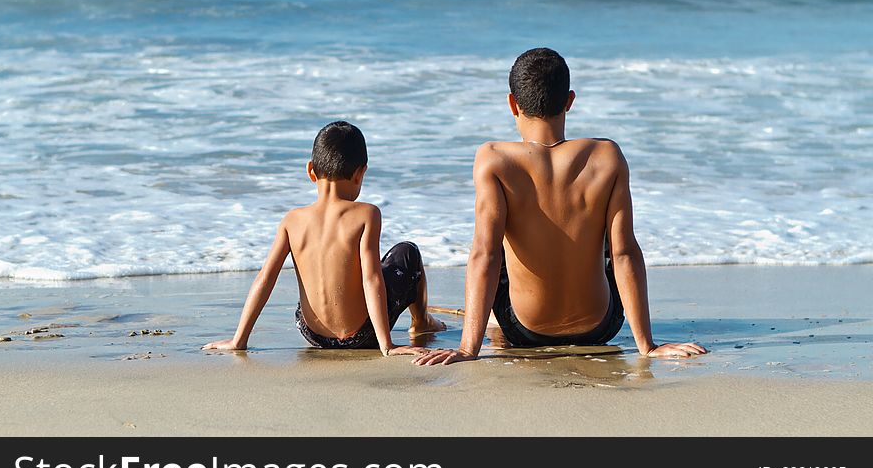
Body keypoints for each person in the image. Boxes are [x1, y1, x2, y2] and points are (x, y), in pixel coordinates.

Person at [415, 48, 707, 365]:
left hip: (524, 329)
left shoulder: (494, 159)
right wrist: (646, 345)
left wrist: (467, 349)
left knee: (495, 245)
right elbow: (624, 254)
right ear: (569, 101)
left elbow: (484, 255)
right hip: (600, 326)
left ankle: (495, 325)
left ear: (512, 104)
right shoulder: (606, 156)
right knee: (610, 239)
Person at [204, 121, 445, 356]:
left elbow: (265, 279)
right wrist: (386, 345)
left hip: (312, 333)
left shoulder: (292, 220)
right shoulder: (367, 214)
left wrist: (239, 339)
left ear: (310, 170)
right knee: (406, 252)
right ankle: (421, 321)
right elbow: (371, 279)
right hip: (362, 334)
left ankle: (244, 337)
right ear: (360, 174)